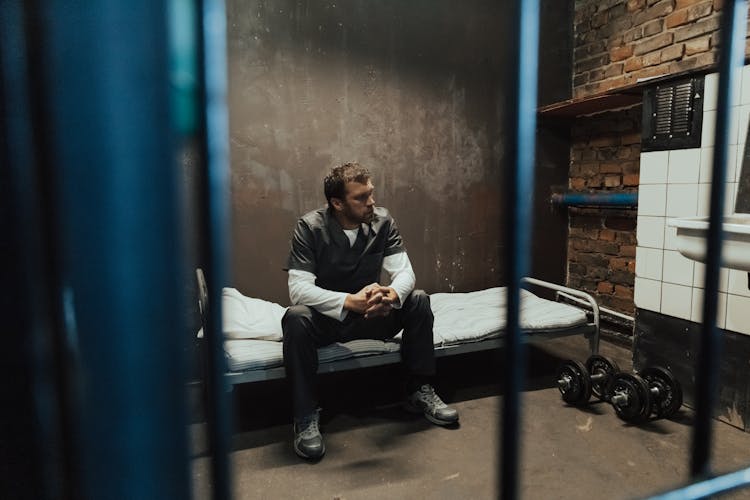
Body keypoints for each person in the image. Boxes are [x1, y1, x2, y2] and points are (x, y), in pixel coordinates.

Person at [282, 162, 459, 460]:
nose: (371, 202)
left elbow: (404, 273)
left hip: (374, 316)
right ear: (337, 203)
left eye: (371, 194)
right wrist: (350, 301)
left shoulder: (383, 221)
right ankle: (305, 415)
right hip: (331, 321)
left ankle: (418, 390)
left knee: (417, 299)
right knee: (296, 317)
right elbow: (298, 289)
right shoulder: (310, 227)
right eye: (361, 198)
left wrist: (390, 294)